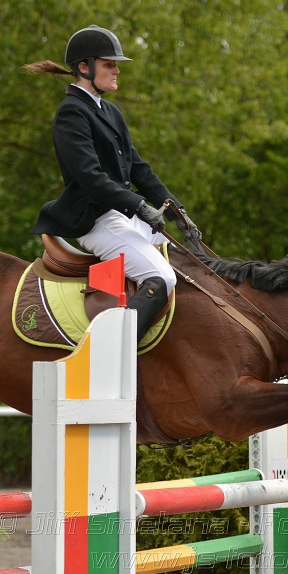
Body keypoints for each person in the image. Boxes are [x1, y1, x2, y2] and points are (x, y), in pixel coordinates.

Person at [24, 24, 200, 341]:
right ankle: (110, 352)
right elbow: (90, 177)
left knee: (187, 266)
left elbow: (138, 168)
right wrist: (139, 206)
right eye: (109, 64)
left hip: (122, 215)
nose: (117, 70)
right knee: (160, 277)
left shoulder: (111, 111)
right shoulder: (71, 113)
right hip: (95, 219)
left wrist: (177, 211)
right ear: (83, 67)